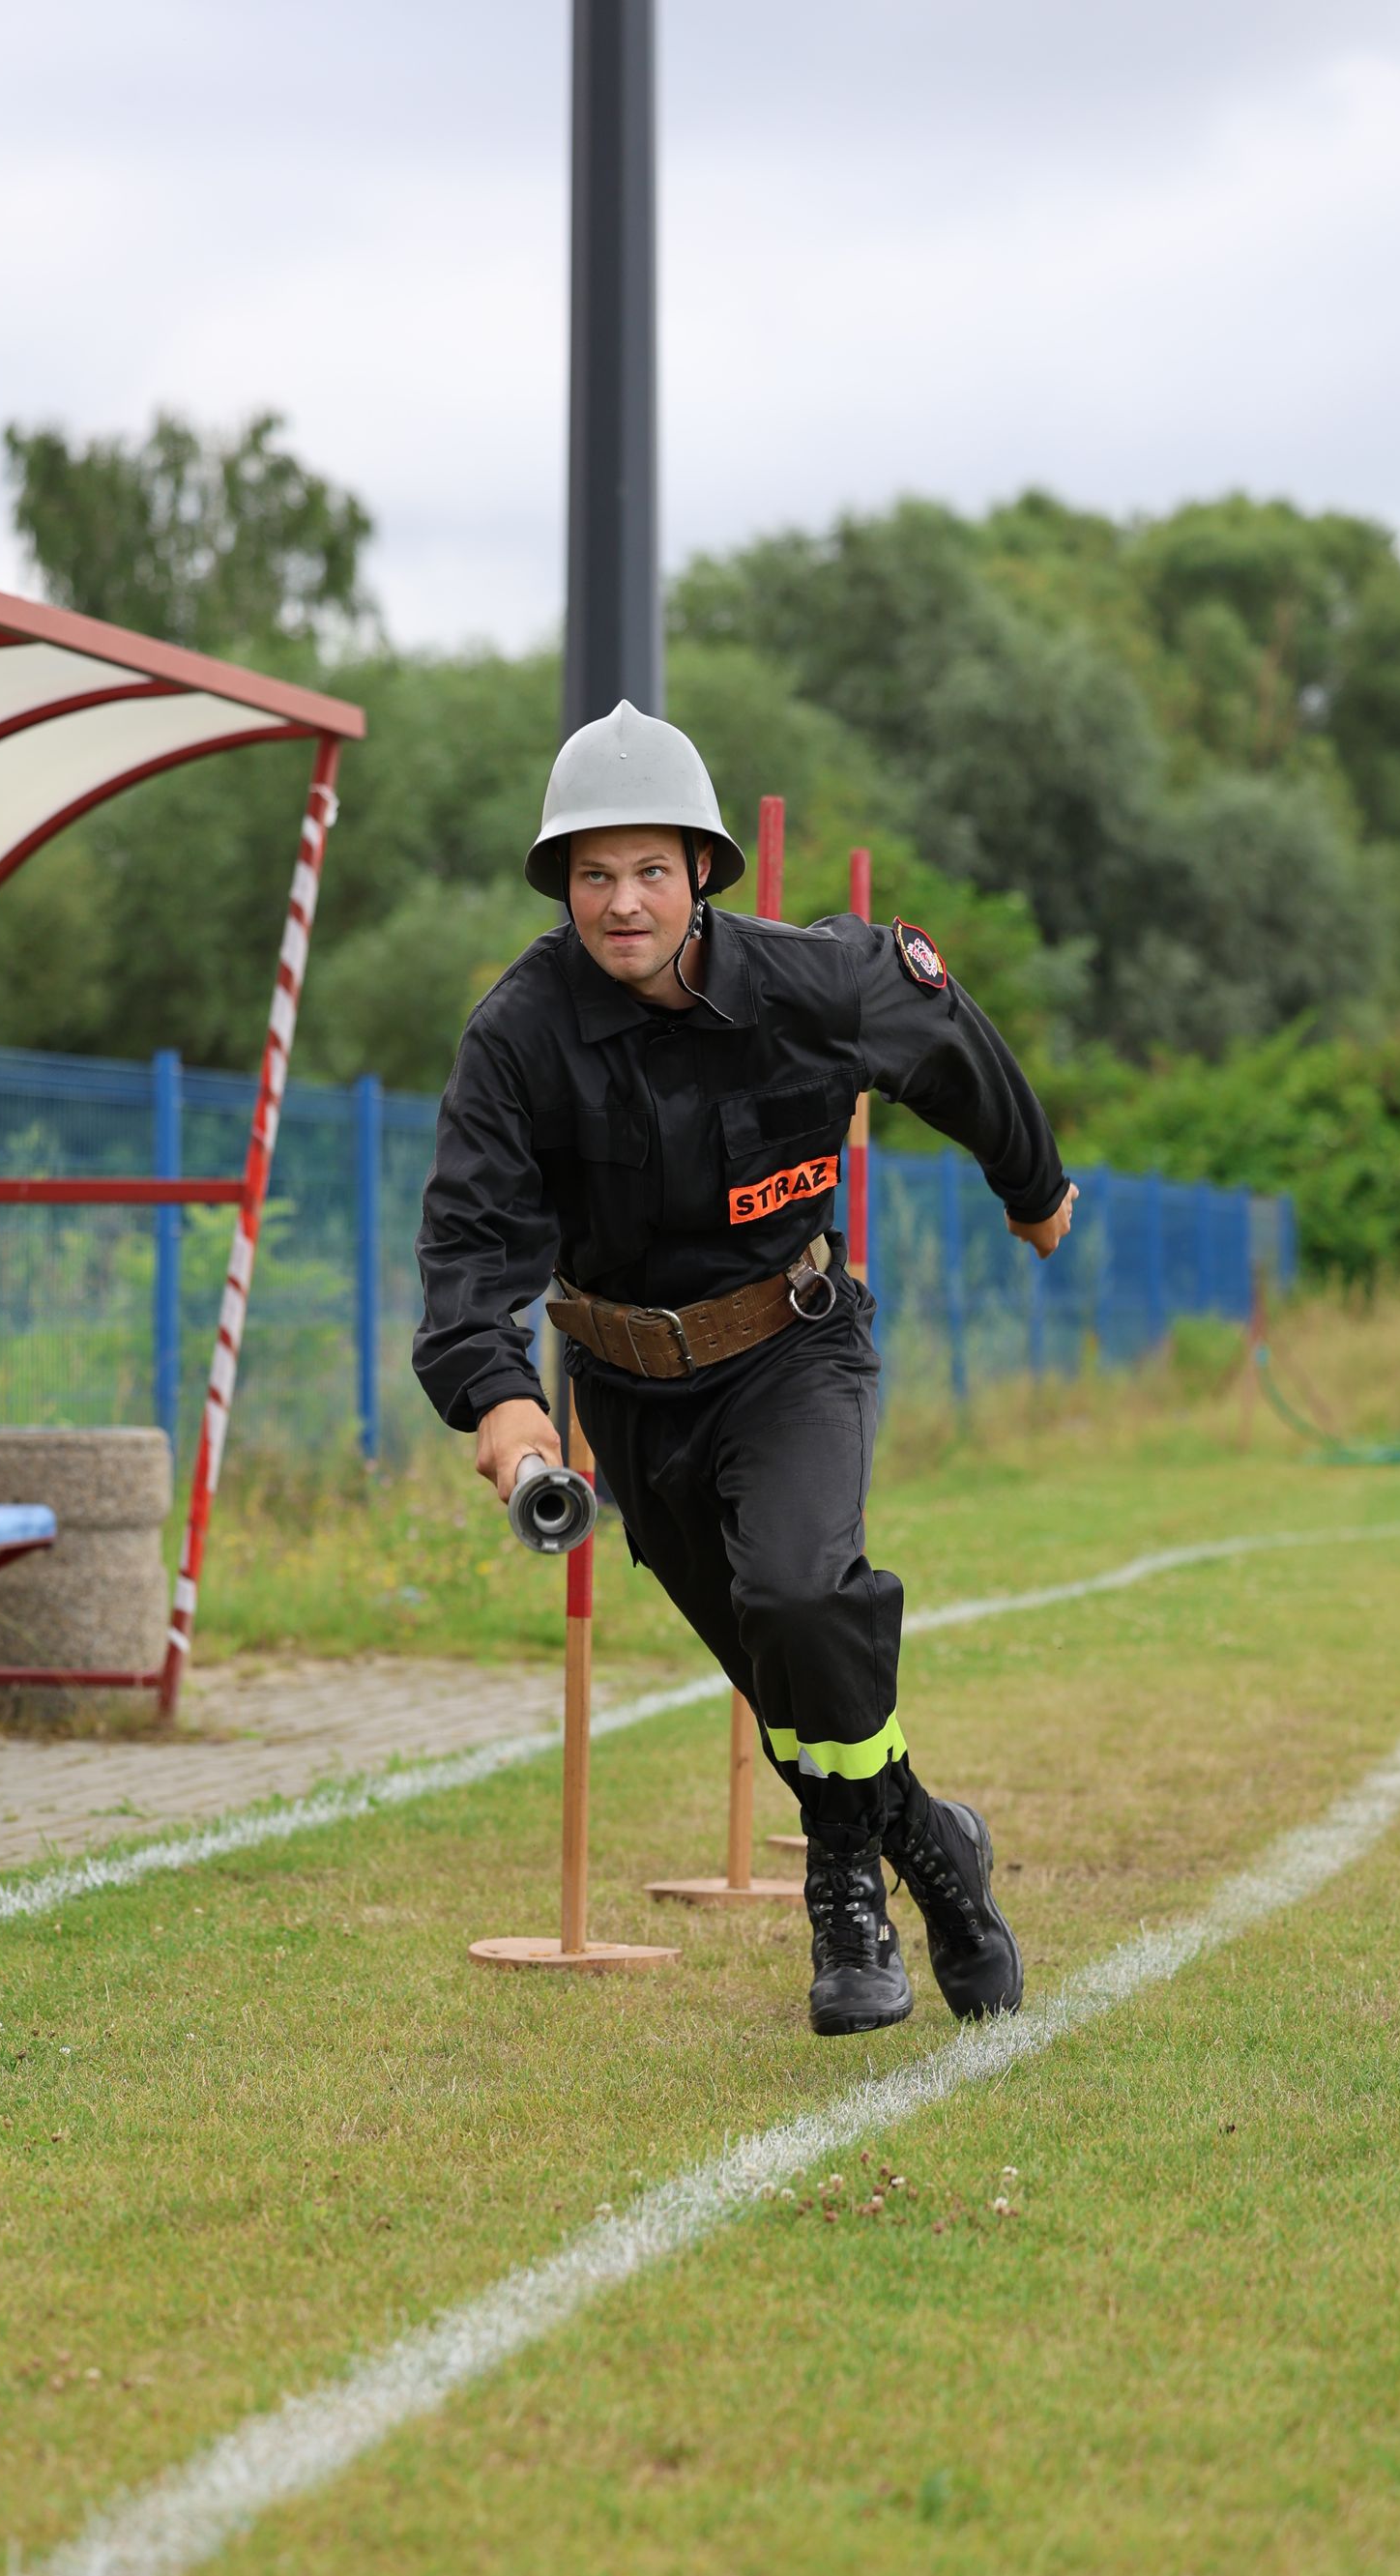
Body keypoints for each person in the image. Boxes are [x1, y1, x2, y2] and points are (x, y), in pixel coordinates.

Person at [413, 704, 1077, 2035]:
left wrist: (1032, 1182)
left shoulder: (811, 982)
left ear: (701, 870)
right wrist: (507, 1412)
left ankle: (845, 1892)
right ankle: (942, 1860)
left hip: (794, 1347)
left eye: (650, 868)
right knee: (784, 1682)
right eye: (592, 874)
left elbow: (950, 1045)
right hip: (629, 1396)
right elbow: (467, 1251)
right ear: (563, 887)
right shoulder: (518, 1038)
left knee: (800, 1595)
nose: (622, 902)